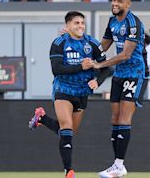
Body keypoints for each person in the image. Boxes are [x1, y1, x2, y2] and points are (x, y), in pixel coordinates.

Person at [28, 11, 110, 178]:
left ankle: (42, 119)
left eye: (82, 23)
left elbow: (106, 67)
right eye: (76, 23)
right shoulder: (59, 43)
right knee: (66, 127)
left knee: (68, 132)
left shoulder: (92, 43)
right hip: (63, 89)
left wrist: (98, 81)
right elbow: (56, 69)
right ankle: (69, 170)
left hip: (82, 92)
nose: (80, 26)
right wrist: (82, 66)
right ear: (67, 26)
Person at [94, 0, 148, 177]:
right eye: (113, 0)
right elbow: (102, 47)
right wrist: (82, 49)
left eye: (119, 1)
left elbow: (125, 55)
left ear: (128, 4)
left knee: (125, 117)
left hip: (134, 73)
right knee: (115, 118)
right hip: (119, 74)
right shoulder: (111, 21)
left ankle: (119, 164)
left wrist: (100, 64)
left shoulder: (133, 23)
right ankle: (117, 164)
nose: (115, 4)